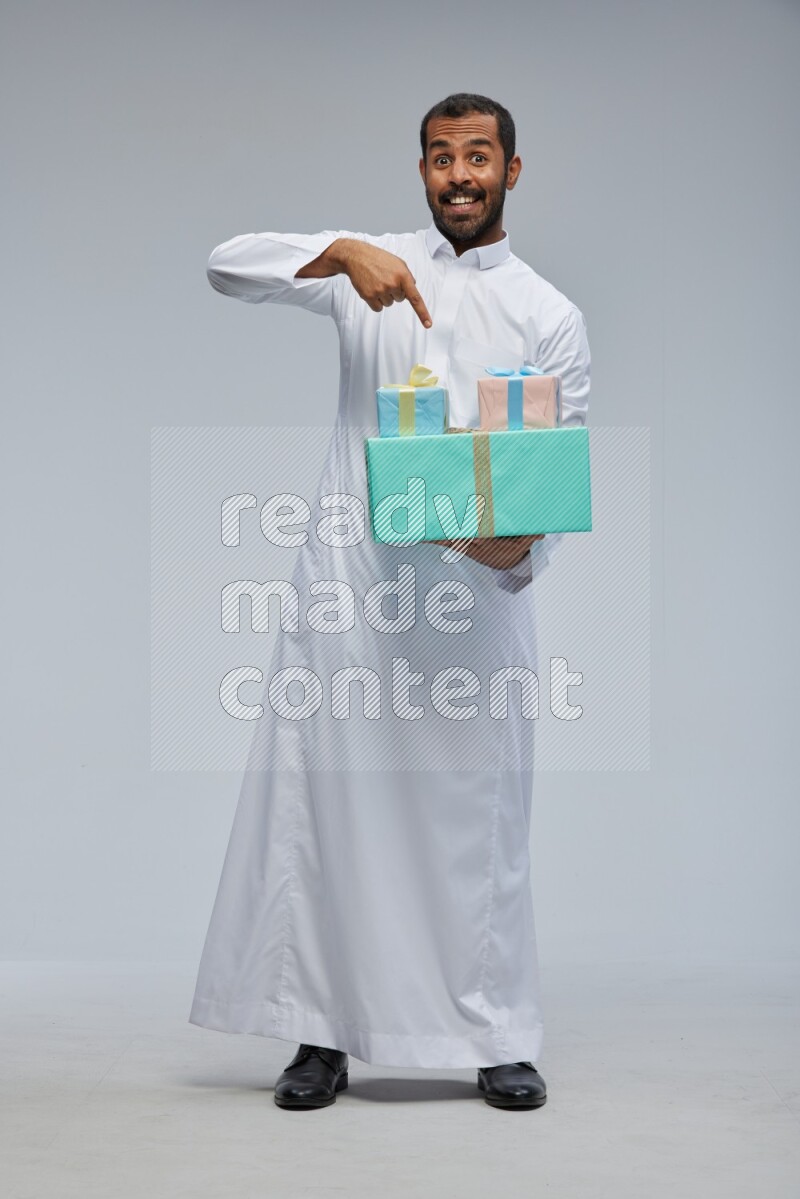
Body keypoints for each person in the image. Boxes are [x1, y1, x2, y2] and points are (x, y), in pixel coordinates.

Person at [189, 92, 591, 1111]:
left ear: (511, 169)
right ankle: (320, 1034)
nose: (458, 174)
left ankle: (493, 1031)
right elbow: (225, 263)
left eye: (478, 156)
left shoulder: (547, 316)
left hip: (473, 611)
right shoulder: (371, 269)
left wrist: (459, 526)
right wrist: (335, 251)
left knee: (478, 825)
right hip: (351, 605)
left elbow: (533, 506)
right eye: (439, 157)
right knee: (327, 812)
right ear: (420, 170)